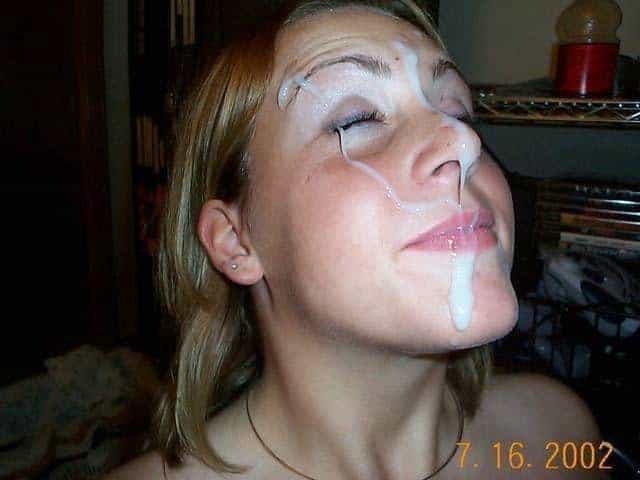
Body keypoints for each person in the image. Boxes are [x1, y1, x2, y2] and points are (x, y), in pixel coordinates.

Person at [106, 1, 606, 479]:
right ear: (237, 241)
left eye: (458, 112)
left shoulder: (557, 437)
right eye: (356, 120)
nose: (464, 141)